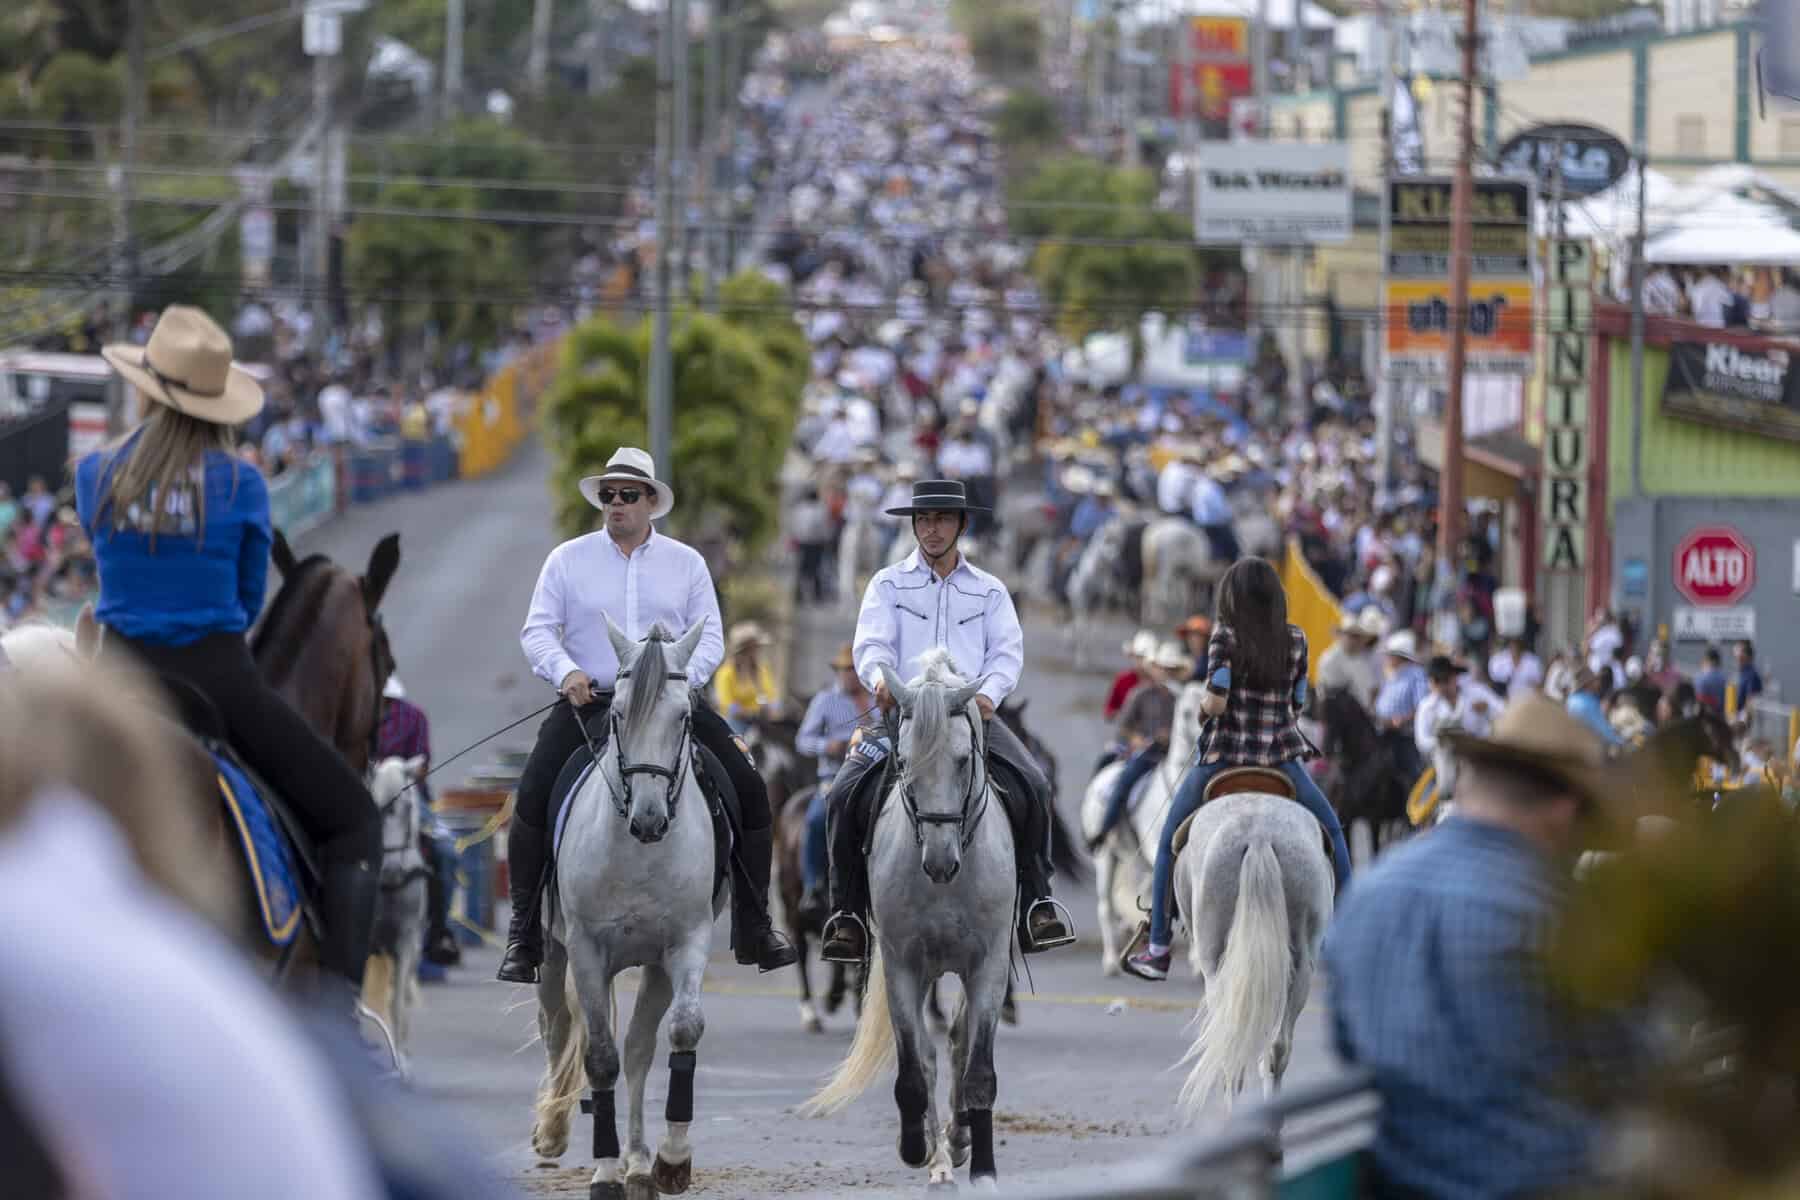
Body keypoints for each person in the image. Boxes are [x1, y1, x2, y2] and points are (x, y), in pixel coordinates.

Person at [74, 305, 381, 1012]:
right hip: (218, 677)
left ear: (148, 388)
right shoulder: (241, 484)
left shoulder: (97, 474)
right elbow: (245, 602)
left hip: (115, 678)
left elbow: (106, 569)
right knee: (354, 817)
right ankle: (337, 1026)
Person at [1324, 693, 1644, 1199]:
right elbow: (1636, 1079)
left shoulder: (1366, 896)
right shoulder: (1563, 916)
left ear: (1471, 780)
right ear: (1567, 807)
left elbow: (1350, 1050)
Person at [499, 447, 796, 983]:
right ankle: (524, 932)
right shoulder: (567, 559)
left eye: (627, 495)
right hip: (592, 702)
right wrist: (566, 671)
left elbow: (709, 636)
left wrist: (682, 681)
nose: (616, 503)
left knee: (750, 786)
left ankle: (755, 923)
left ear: (651, 502)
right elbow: (538, 630)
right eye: (608, 494)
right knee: (534, 792)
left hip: (669, 704)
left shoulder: (686, 563)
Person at [818, 478, 1076, 962]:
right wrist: (877, 677)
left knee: (1035, 786)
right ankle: (848, 913)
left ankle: (1038, 901)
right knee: (842, 794)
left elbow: (1005, 654)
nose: (931, 529)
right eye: (923, 519)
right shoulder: (887, 584)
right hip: (904, 713)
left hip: (968, 716)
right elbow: (870, 644)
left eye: (941, 519)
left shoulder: (990, 591)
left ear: (960, 524)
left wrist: (990, 696)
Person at [1124, 557, 1353, 981]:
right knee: (1333, 833)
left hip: (1224, 758)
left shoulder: (1224, 637)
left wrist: (1204, 713)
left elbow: (1216, 702)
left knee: (1166, 847)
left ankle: (1157, 946)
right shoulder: (1297, 639)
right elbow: (1298, 703)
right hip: (1281, 760)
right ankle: (1351, 932)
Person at [376, 674, 461, 967]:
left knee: (446, 851)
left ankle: (439, 932)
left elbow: (423, 763)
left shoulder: (412, 717)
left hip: (410, 795)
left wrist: (404, 772)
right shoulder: (357, 706)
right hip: (366, 793)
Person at [793, 643, 873, 920]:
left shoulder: (879, 698)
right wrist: (827, 746)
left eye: (854, 670)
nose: (849, 675)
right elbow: (803, 740)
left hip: (873, 777)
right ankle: (812, 884)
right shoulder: (825, 700)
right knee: (816, 819)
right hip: (833, 776)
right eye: (845, 670)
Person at [1087, 639, 1189, 851]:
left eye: (1172, 670)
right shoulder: (1141, 695)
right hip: (1148, 754)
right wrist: (1141, 740)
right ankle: (1106, 829)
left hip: (1175, 755)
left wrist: (1172, 737)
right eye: (1164, 669)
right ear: (1157, 669)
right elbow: (1124, 728)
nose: (1167, 674)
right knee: (1125, 781)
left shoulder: (1182, 699)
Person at [714, 622, 779, 735]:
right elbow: (726, 704)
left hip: (760, 722)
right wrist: (745, 712)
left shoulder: (761, 669)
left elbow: (771, 695)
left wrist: (772, 708)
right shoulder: (726, 673)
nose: (757, 651)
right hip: (736, 722)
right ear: (744, 649)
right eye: (754, 647)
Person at [1315, 607, 1386, 711]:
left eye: (1359, 636)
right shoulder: (1330, 659)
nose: (1356, 641)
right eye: (1352, 636)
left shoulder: (1358, 658)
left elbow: (1371, 689)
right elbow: (1328, 693)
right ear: (1342, 636)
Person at [1103, 630, 1158, 723]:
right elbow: (1109, 710)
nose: (1139, 661)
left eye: (1142, 657)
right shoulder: (1122, 680)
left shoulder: (1160, 683)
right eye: (1137, 657)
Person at [1565, 667, 1624, 748]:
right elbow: (1603, 731)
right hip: (1586, 749)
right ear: (1589, 683)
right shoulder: (1589, 703)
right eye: (1595, 680)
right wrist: (1620, 742)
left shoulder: (1570, 700)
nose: (1598, 682)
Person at [1733, 639, 1764, 707]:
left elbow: (1751, 703)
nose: (1736, 658)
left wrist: (1740, 717)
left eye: (1739, 656)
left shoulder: (1751, 676)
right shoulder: (1740, 674)